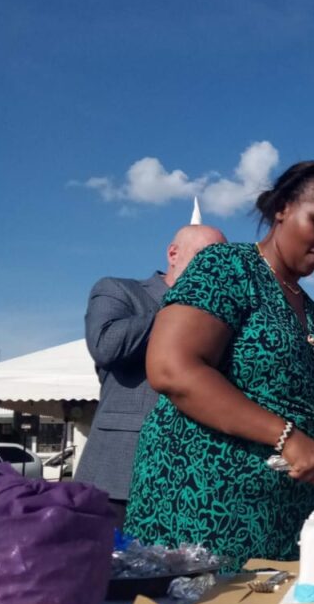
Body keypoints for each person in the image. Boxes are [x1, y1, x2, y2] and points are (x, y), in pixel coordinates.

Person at [124, 161, 314, 566]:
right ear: (282, 208)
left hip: (283, 525)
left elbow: (311, 415)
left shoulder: (311, 310)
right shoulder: (227, 268)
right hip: (203, 512)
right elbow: (171, 368)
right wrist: (287, 438)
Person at [75, 222, 227, 524]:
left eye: (221, 263)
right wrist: (181, 309)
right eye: (206, 257)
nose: (214, 269)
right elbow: (106, 345)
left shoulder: (219, 317)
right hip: (119, 475)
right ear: (173, 253)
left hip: (193, 482)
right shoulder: (118, 290)